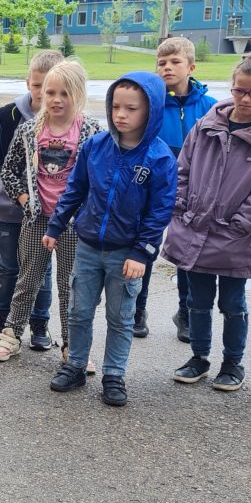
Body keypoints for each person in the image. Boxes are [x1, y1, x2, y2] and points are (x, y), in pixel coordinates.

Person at [44, 72, 176, 407]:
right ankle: (74, 365)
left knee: (120, 317)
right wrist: (56, 226)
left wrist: (142, 252)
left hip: (126, 255)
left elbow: (159, 212)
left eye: (131, 108)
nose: (121, 114)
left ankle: (114, 375)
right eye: (116, 106)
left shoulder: (159, 159)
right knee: (79, 311)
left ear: (151, 110)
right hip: (88, 246)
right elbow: (76, 189)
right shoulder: (96, 146)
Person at [162, 53, 251, 392]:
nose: (245, 99)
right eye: (239, 90)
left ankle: (233, 362)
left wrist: (242, 223)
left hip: (234, 234)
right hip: (194, 226)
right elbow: (183, 169)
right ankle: (199, 357)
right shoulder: (207, 124)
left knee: (233, 303)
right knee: (197, 301)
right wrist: (179, 208)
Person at [0, 61, 103, 367]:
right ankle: (11, 334)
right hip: (37, 220)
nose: (56, 99)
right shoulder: (28, 131)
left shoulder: (91, 131)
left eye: (65, 93)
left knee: (70, 284)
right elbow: (9, 173)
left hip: (74, 224)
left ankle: (72, 345)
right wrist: (26, 201)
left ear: (77, 95)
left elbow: (102, 175)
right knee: (28, 278)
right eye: (50, 91)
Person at [0, 50, 65, 347]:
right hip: (11, 211)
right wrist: (0, 184)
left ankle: (39, 324)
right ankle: (2, 318)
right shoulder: (9, 117)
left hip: (47, 215)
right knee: (8, 266)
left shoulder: (70, 123)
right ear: (28, 82)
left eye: (52, 87)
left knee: (40, 269)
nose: (43, 93)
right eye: (37, 85)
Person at [142, 37, 218, 340]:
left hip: (194, 192)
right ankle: (138, 308)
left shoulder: (211, 108)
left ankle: (186, 312)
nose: (167, 67)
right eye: (162, 63)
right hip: (153, 188)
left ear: (191, 66)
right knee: (145, 246)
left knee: (188, 253)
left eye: (175, 62)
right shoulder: (151, 104)